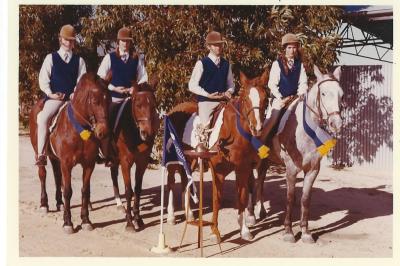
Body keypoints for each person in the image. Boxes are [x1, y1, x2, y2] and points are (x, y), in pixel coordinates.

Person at [36, 24, 87, 166]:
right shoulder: (50, 58)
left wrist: (74, 93)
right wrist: (50, 94)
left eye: (71, 40)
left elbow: (81, 81)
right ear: (61, 39)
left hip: (73, 100)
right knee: (43, 118)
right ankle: (41, 154)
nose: (69, 43)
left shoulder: (79, 61)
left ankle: (96, 152)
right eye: (66, 39)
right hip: (55, 99)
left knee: (90, 121)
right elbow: (43, 79)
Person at [188, 30, 235, 149]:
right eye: (216, 45)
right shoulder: (202, 63)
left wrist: (229, 91)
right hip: (206, 102)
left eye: (220, 45)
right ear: (209, 46)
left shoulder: (226, 64)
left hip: (224, 102)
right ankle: (202, 150)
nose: (219, 47)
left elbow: (231, 84)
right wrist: (207, 95)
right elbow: (192, 85)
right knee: (205, 128)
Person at [261, 33, 308, 141]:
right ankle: (261, 145)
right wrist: (281, 98)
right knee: (272, 120)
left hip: (295, 98)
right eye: (289, 48)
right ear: (285, 49)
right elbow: (272, 84)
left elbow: (303, 82)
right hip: (279, 99)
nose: (292, 50)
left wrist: (301, 93)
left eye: (294, 47)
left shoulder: (299, 65)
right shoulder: (277, 64)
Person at [97, 26, 148, 109]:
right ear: (118, 42)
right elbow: (100, 79)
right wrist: (114, 88)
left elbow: (143, 77)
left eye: (128, 41)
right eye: (123, 41)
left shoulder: (136, 59)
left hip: (132, 100)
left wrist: (135, 88)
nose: (125, 43)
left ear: (131, 43)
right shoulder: (109, 57)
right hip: (113, 100)